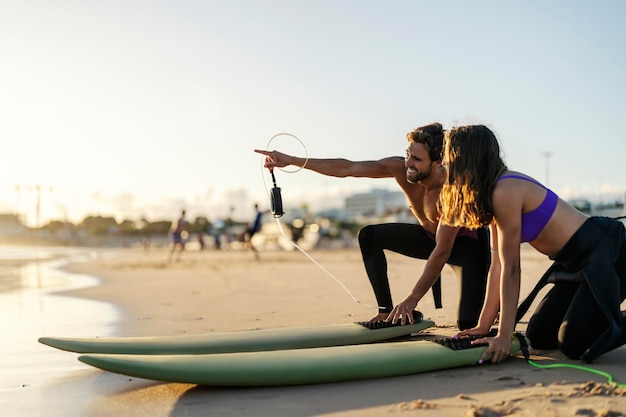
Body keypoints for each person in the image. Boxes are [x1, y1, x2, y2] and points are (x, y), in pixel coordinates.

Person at [255, 122, 490, 328]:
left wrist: (411, 300)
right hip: (430, 238)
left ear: (439, 162)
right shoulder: (399, 167)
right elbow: (347, 168)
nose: (407, 163)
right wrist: (293, 160)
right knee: (370, 235)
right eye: (408, 154)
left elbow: (443, 251)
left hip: (464, 249)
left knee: (468, 325)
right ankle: (385, 309)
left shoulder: (452, 189)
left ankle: (491, 306)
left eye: (416, 159)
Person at [440, 124, 626, 364]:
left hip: (609, 254)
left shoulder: (505, 191)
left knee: (574, 342)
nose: (444, 163)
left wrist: (504, 336)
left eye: (448, 156)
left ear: (464, 157)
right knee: (539, 335)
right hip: (574, 264)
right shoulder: (491, 193)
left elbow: (512, 269)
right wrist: (483, 325)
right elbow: (497, 266)